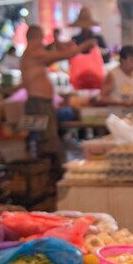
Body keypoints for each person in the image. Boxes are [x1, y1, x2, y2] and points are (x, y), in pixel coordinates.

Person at [21, 25, 95, 175]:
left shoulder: (35, 55)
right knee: (47, 140)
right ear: (35, 38)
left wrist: (59, 42)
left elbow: (58, 54)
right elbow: (62, 56)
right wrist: (84, 46)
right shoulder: (33, 52)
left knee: (46, 138)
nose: (43, 42)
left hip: (42, 102)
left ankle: (47, 174)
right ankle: (50, 176)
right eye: (41, 38)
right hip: (38, 103)